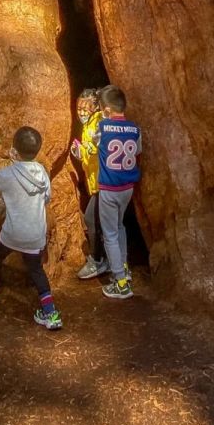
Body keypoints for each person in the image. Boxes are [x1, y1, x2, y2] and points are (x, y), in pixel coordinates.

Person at [0, 125, 63, 331]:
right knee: (37, 270)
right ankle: (51, 313)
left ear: (14, 151)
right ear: (37, 152)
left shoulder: (9, 173)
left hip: (12, 234)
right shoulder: (42, 173)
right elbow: (47, 198)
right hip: (35, 236)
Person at [94, 85, 142, 300]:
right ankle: (124, 267)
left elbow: (94, 145)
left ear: (106, 109)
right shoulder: (135, 129)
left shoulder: (103, 127)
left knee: (110, 234)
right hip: (127, 189)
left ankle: (120, 283)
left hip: (109, 188)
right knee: (119, 226)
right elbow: (138, 150)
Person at [70, 87, 107, 279]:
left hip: (104, 182)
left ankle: (98, 260)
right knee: (100, 222)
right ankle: (106, 259)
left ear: (95, 107)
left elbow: (96, 149)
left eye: (85, 109)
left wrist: (82, 151)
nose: (81, 113)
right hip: (96, 182)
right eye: (79, 109)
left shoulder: (99, 121)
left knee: (92, 220)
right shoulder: (88, 125)